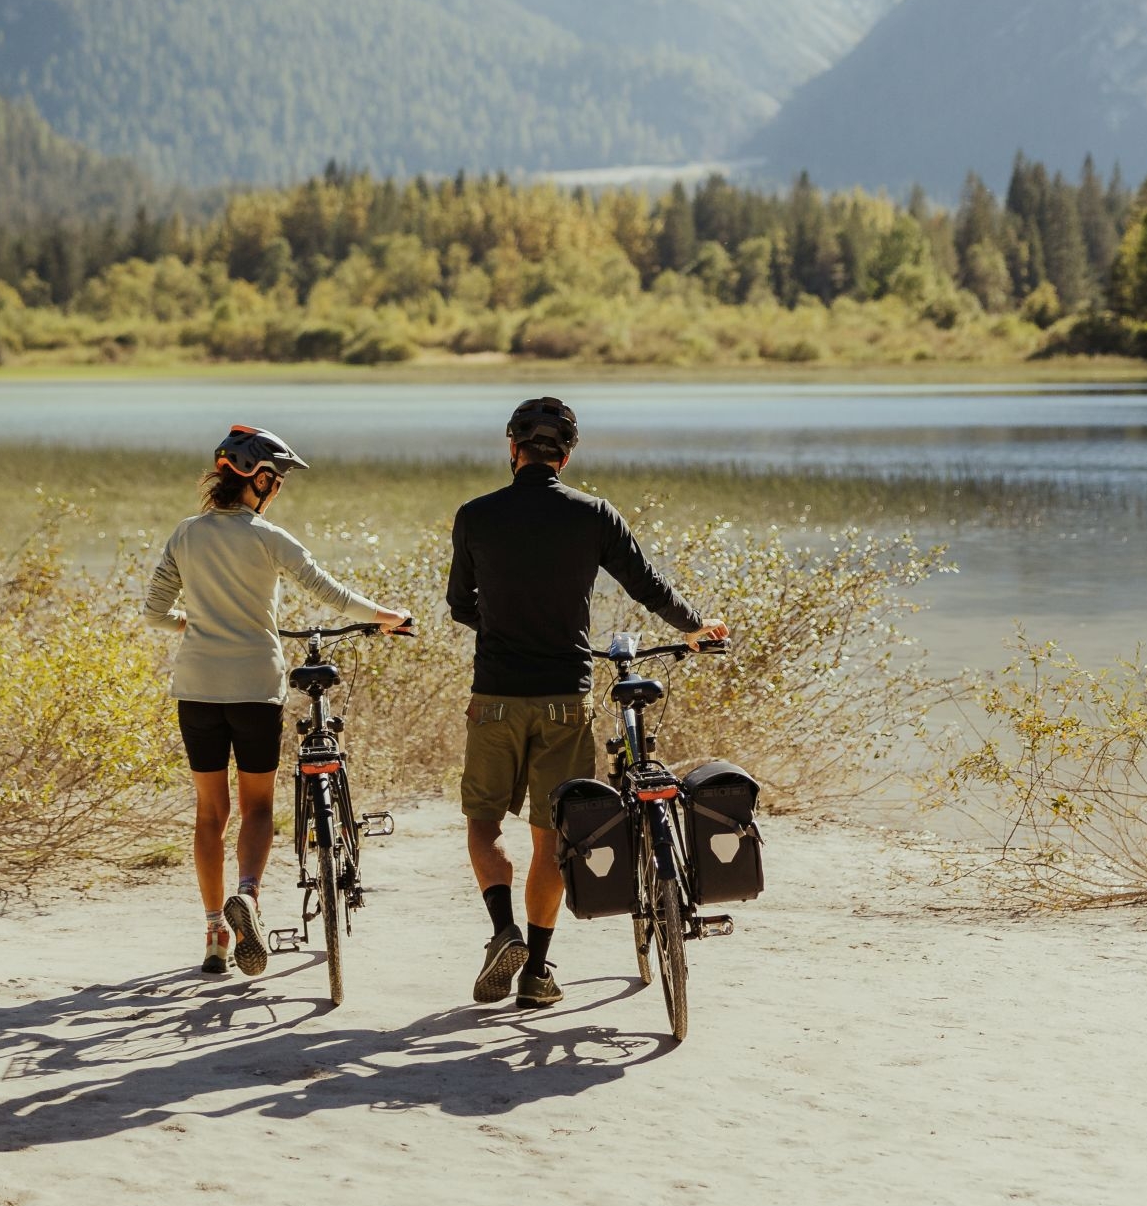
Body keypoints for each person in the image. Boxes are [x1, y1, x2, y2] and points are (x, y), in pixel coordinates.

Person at [446, 394, 726, 1011]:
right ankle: (536, 971)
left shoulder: (475, 515)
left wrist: (502, 627)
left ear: (512, 449)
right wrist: (695, 626)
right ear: (566, 457)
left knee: (484, 825)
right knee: (552, 835)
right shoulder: (594, 515)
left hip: (494, 697)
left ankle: (503, 931)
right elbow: (648, 586)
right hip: (564, 700)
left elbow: (459, 604)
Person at [146, 423, 410, 980]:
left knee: (209, 813)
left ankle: (216, 932)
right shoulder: (269, 537)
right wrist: (389, 617)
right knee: (258, 807)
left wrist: (194, 623)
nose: (278, 490)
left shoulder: (185, 534)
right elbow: (331, 593)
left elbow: (154, 612)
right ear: (260, 480)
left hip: (196, 689)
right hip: (254, 689)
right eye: (278, 481)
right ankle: (248, 895)